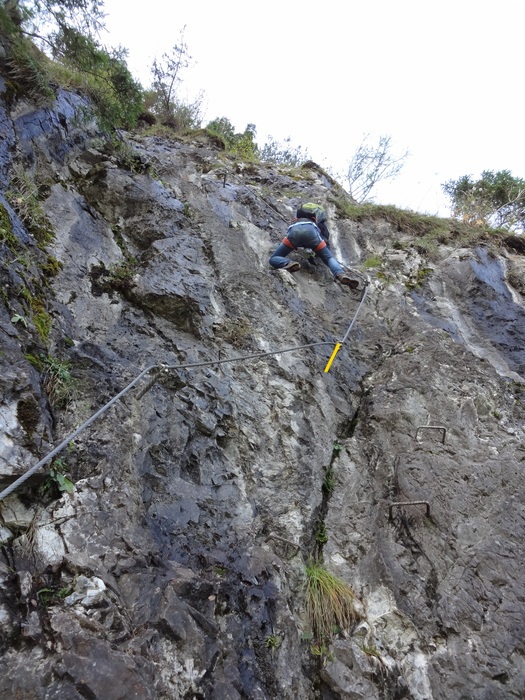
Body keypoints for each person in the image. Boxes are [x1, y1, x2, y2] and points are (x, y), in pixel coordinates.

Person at [269, 204, 359, 288]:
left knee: (274, 258)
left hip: (294, 233)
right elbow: (324, 240)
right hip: (311, 232)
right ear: (314, 217)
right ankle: (340, 274)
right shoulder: (315, 222)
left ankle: (287, 263)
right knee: (328, 258)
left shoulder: (294, 221)